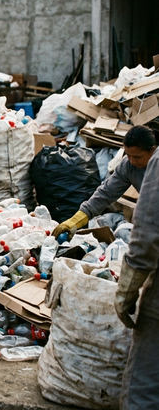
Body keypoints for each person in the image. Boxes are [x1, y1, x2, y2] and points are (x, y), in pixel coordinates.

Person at [53, 126, 158, 238]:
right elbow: (106, 193)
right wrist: (75, 221)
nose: (132, 161)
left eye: (137, 156)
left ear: (153, 150)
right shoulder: (128, 166)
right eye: (128, 155)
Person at [115, 144, 159, 408]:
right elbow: (108, 188)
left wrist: (126, 292)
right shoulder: (128, 167)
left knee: (143, 390)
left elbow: (147, 237)